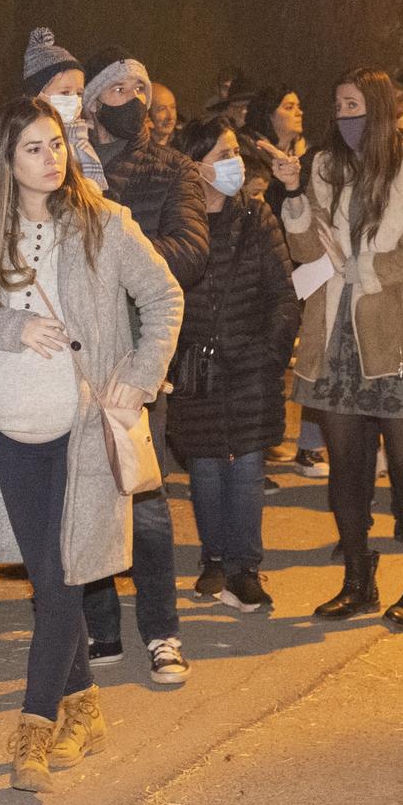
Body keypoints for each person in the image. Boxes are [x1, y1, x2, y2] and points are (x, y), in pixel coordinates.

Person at [0, 96, 182, 792]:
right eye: (33, 148)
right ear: (6, 161)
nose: (51, 157)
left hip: (79, 432)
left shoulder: (102, 223)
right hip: (8, 435)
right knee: (51, 578)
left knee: (64, 577)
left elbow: (165, 297)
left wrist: (138, 376)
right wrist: (10, 329)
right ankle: (85, 707)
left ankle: (35, 726)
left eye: (56, 144)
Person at [274, 67, 403, 631]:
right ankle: (358, 577)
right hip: (335, 335)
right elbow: (305, 249)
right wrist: (296, 191)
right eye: (339, 107)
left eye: (354, 106)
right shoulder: (326, 166)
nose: (345, 117)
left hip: (399, 336)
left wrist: (365, 269)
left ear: (376, 107)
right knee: (345, 466)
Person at [77, 48, 208, 683]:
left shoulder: (173, 170)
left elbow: (189, 252)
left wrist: (118, 253)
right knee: (86, 493)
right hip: (73, 354)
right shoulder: (64, 164)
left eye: (142, 88)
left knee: (145, 497)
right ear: (94, 99)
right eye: (120, 88)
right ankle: (101, 625)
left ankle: (161, 630)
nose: (136, 99)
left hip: (137, 359)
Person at [166, 117, 301, 611]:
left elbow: (283, 296)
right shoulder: (177, 223)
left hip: (250, 363)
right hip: (196, 367)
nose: (234, 164)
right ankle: (214, 561)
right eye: (222, 155)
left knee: (245, 466)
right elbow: (163, 295)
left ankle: (246, 568)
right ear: (195, 166)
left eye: (234, 154)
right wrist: (176, 355)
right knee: (204, 467)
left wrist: (269, 353)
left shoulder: (257, 217)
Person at [243, 85, 321, 474]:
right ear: (269, 115)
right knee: (267, 355)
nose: (298, 111)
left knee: (310, 353)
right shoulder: (253, 157)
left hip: (305, 268)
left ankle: (307, 444)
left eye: (299, 104)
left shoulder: (309, 156)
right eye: (288, 106)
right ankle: (258, 443)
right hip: (266, 270)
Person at [22, 27, 105, 189]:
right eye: (65, 92)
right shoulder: (23, 138)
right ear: (37, 95)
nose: (74, 100)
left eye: (79, 93)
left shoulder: (83, 140)